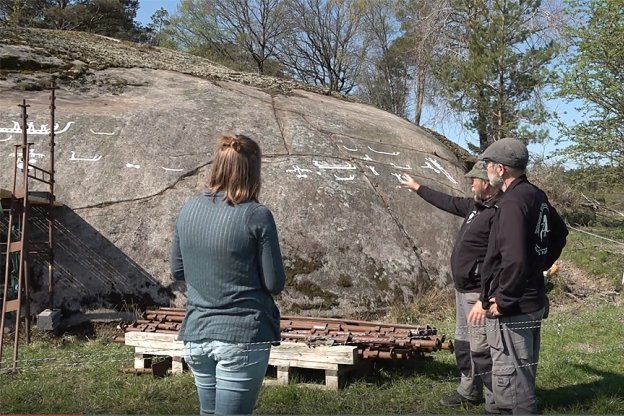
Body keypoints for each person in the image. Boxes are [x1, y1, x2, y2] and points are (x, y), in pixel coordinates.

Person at [170, 134, 286, 415]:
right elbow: (274, 283)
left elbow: (177, 271)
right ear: (253, 170)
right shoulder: (257, 214)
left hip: (197, 334)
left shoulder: (188, 209)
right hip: (241, 335)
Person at [468, 137, 568, 414]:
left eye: (488, 164)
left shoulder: (511, 202)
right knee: (522, 374)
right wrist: (540, 264)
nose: (486, 169)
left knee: (510, 381)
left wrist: (504, 297)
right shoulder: (536, 194)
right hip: (532, 298)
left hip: (514, 305)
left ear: (500, 169)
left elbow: (512, 257)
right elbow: (559, 234)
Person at [400, 162, 501, 412]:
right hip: (463, 289)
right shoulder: (474, 206)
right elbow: (446, 201)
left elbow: (500, 256)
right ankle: (469, 390)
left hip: (479, 292)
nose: (470, 184)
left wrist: (486, 295)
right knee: (464, 342)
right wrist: (418, 187)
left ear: (485, 183)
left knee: (481, 347)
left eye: (473, 181)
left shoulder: (498, 212)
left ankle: (496, 402)